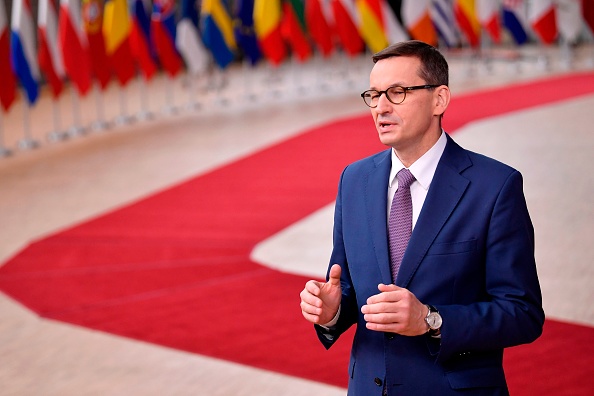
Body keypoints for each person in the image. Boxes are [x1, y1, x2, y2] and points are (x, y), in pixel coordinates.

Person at [299, 40, 544, 395]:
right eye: (373, 94)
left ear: (439, 99)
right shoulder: (354, 180)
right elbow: (349, 288)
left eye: (397, 92)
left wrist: (431, 320)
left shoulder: (494, 186)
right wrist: (332, 311)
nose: (380, 107)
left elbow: (522, 314)